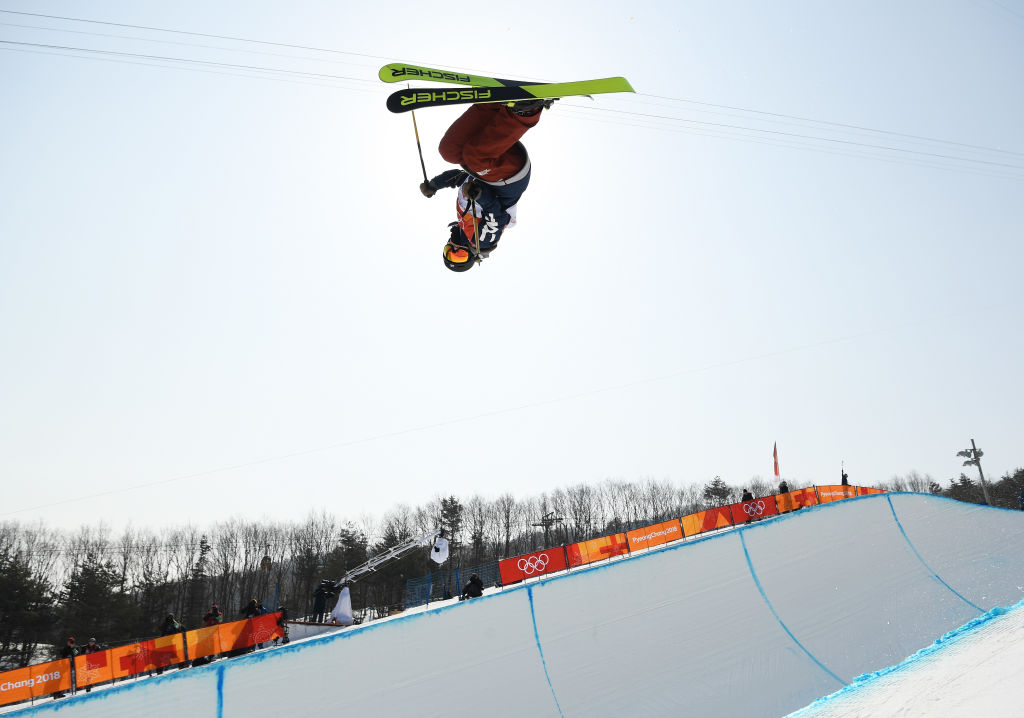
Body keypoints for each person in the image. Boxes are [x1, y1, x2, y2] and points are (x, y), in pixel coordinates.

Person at [419, 99, 554, 272]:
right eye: (460, 256)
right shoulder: (481, 241)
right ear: (471, 255)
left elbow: (461, 178)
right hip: (508, 181)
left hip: (488, 172)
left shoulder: (463, 220)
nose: (455, 248)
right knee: (475, 158)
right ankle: (528, 111)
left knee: (449, 150)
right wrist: (479, 195)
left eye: (449, 252)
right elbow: (497, 216)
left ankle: (494, 104)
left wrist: (434, 185)